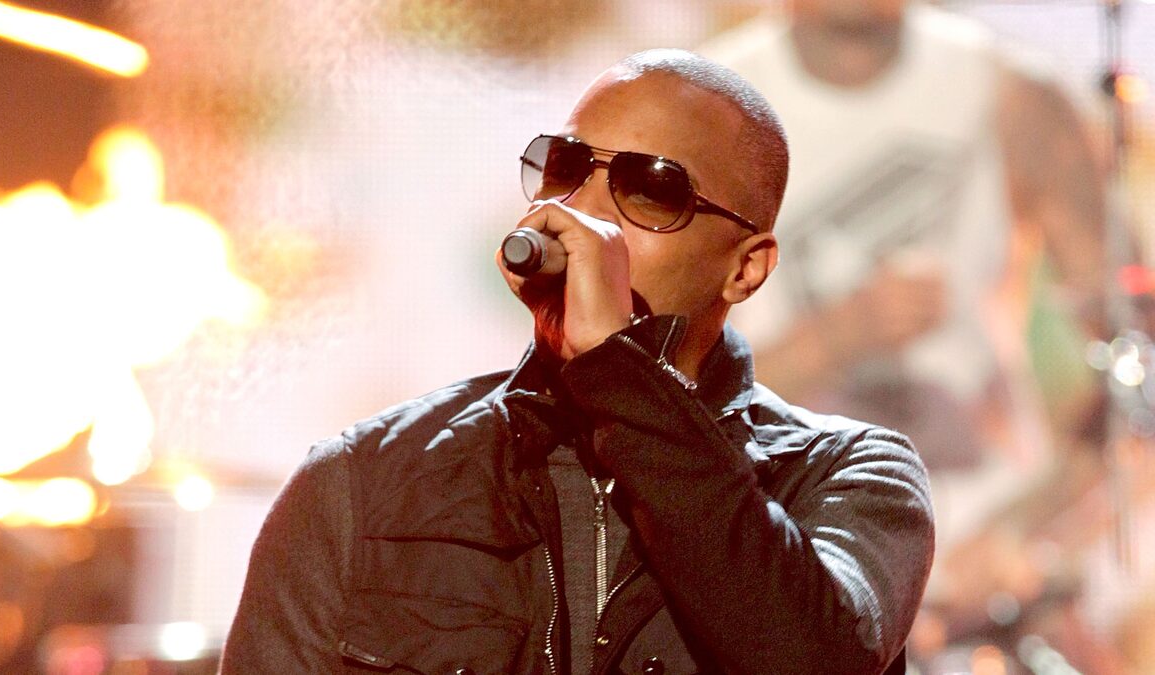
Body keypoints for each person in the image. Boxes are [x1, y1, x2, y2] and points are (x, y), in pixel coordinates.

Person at [221, 49, 934, 674]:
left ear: (746, 268)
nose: (579, 215)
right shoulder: (360, 483)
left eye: (650, 188)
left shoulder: (851, 478)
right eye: (564, 168)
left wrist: (616, 369)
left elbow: (813, 656)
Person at [700, 0, 1109, 613]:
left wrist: (1028, 529)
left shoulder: (1011, 92)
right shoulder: (703, 109)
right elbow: (657, 390)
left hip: (989, 557)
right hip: (786, 555)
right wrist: (838, 336)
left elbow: (1132, 361)